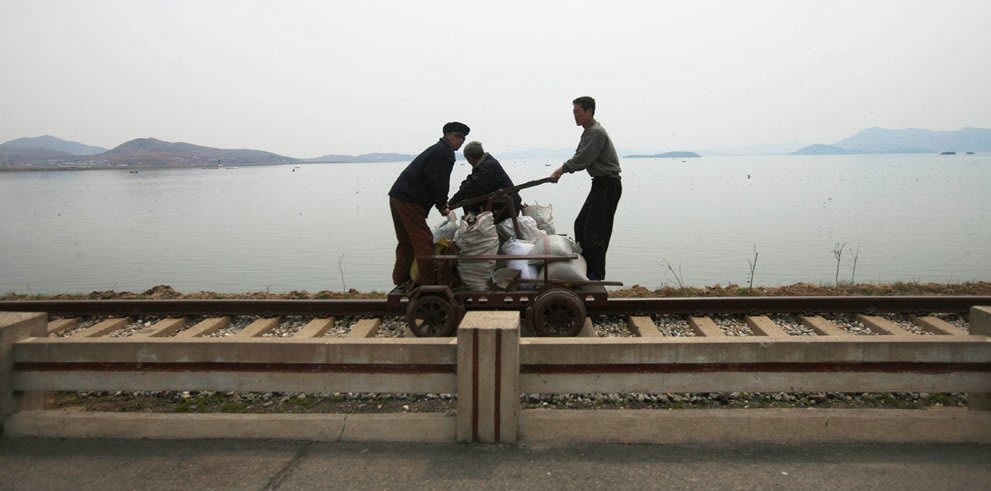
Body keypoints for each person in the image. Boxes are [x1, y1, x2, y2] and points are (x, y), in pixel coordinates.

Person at [388, 121, 469, 287]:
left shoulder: (437, 149)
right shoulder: (444, 153)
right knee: (423, 240)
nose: (460, 141)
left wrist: (441, 203)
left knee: (406, 241)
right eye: (457, 136)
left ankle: (401, 280)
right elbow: (438, 181)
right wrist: (442, 205)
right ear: (446, 135)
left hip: (398, 196)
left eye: (463, 138)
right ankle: (429, 283)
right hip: (410, 200)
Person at [550, 96, 622, 280]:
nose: (575, 116)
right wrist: (564, 169)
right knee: (581, 225)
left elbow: (583, 159)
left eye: (577, 112)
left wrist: (562, 169)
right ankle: (585, 266)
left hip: (608, 184)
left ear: (589, 111)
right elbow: (580, 155)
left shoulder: (596, 132)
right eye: (573, 112)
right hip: (600, 184)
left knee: (596, 231)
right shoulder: (588, 132)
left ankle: (595, 274)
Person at [449, 141, 522, 222]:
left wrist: (451, 203)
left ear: (470, 159)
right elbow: (471, 182)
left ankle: (473, 227)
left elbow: (470, 186)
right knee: (469, 196)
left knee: (468, 200)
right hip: (507, 205)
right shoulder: (488, 163)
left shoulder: (486, 167)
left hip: (505, 209)